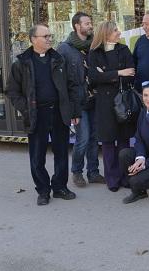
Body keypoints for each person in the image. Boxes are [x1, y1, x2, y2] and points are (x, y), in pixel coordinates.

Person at [6, 24, 80, 206]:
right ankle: (43, 190)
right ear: (33, 39)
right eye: (45, 36)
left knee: (62, 152)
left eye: (49, 35)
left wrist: (74, 111)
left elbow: (71, 86)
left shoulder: (58, 59)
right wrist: (26, 108)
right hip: (36, 115)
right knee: (37, 156)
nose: (49, 39)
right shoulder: (21, 63)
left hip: (58, 112)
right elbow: (12, 91)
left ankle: (60, 187)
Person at [56, 12, 105, 188]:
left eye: (90, 23)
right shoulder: (64, 49)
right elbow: (61, 80)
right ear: (77, 26)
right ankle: (77, 172)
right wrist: (68, 107)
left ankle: (93, 172)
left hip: (95, 99)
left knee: (94, 137)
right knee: (82, 138)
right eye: (87, 23)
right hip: (78, 102)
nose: (90, 26)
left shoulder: (95, 44)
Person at [87, 21, 137, 192]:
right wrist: (118, 73)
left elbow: (131, 74)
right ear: (106, 33)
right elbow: (93, 77)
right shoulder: (94, 52)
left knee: (124, 141)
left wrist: (106, 75)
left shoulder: (123, 50)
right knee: (108, 143)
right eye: (115, 30)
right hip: (104, 105)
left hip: (122, 102)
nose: (119, 32)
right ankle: (112, 179)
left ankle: (125, 177)